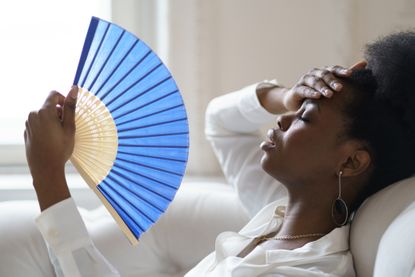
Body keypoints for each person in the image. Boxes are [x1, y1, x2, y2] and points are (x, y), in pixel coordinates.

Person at [7, 31, 415, 276]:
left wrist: (48, 176)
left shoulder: (301, 269)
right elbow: (221, 120)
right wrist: (286, 95)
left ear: (350, 161)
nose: (283, 121)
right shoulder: (279, 214)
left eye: (304, 118)